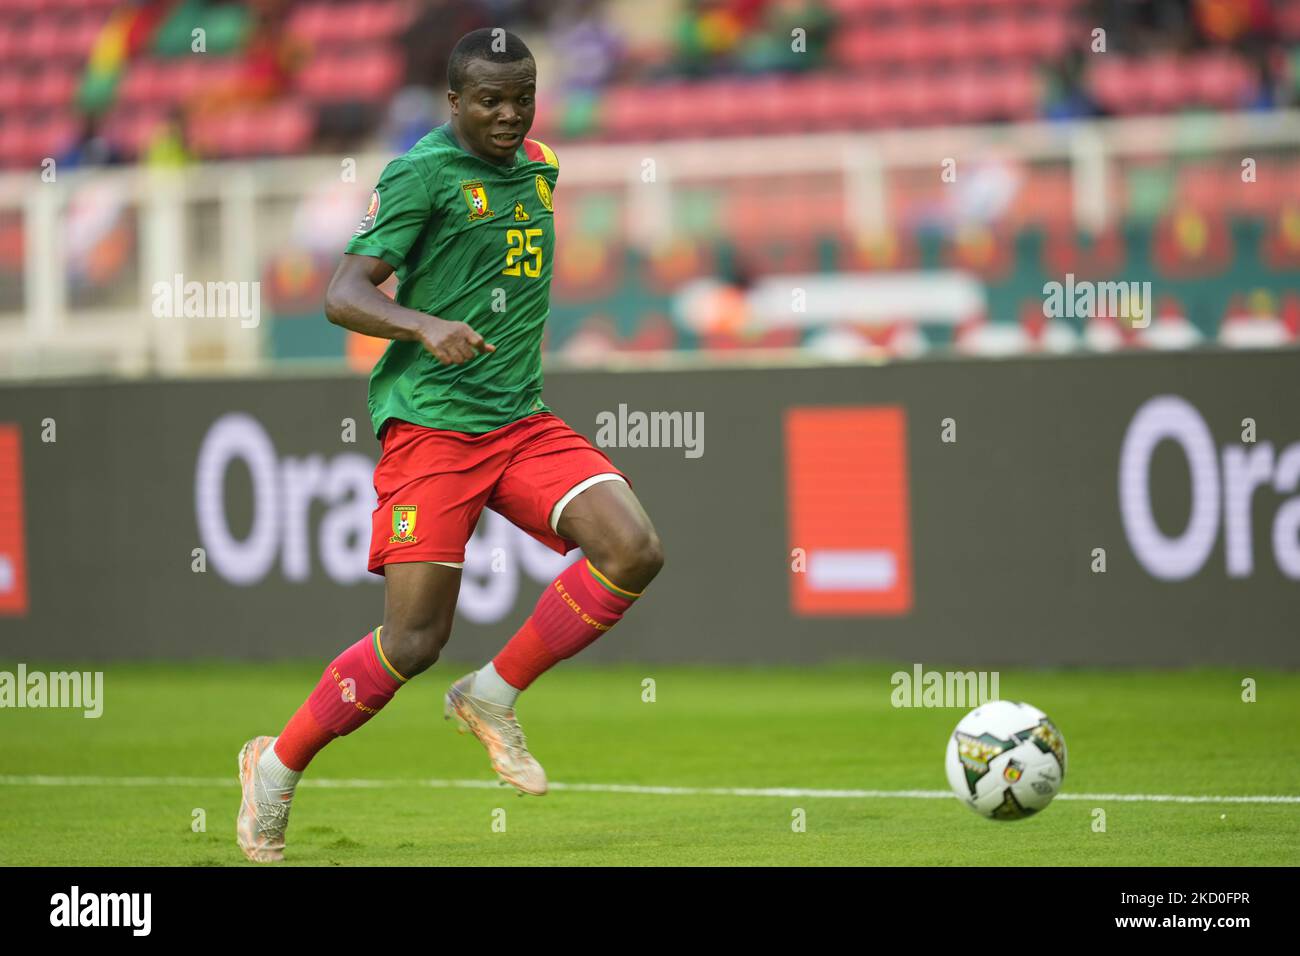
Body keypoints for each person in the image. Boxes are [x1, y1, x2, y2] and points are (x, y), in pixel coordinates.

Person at [235, 28, 664, 863]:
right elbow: (342, 292)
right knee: (415, 642)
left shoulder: (541, 165)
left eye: (523, 97)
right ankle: (275, 770)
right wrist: (425, 324)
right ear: (454, 103)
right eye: (491, 101)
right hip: (433, 429)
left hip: (521, 420)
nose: (509, 115)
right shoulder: (419, 173)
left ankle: (494, 695)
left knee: (634, 548)